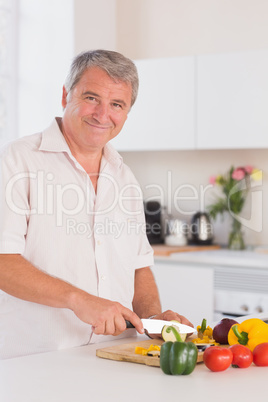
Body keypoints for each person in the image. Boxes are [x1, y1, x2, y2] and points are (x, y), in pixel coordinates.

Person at [0, 50, 193, 359]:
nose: (103, 115)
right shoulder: (16, 159)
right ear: (66, 95)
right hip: (36, 358)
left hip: (116, 354)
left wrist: (153, 318)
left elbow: (138, 266)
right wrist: (79, 300)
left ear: (127, 112)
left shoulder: (124, 176)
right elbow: (3, 262)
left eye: (117, 104)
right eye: (91, 98)